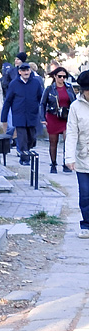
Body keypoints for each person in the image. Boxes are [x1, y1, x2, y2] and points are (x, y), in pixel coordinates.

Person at [1, 61, 45, 166]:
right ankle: (24, 158)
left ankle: (26, 150)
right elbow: (8, 101)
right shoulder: (14, 84)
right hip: (19, 115)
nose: (26, 72)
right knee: (22, 137)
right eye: (23, 70)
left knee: (31, 138)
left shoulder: (36, 83)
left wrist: (43, 115)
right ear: (19, 72)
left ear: (30, 71)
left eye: (27, 70)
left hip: (32, 114)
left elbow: (41, 99)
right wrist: (4, 117)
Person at [65, 71, 89, 239]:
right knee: (85, 193)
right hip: (83, 157)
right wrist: (69, 157)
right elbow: (72, 133)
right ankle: (86, 225)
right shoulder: (75, 107)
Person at [41, 66, 75, 173]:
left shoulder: (69, 88)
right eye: (60, 76)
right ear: (55, 76)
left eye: (64, 77)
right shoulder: (49, 89)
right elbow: (42, 104)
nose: (62, 79)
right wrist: (43, 118)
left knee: (67, 139)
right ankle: (53, 163)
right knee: (53, 142)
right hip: (53, 116)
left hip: (66, 117)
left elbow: (74, 103)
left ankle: (66, 163)